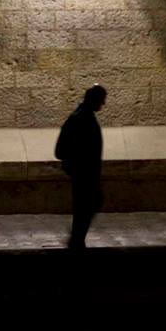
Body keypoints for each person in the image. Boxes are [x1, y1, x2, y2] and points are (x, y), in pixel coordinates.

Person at [55, 84, 107, 251]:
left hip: (83, 173)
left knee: (85, 208)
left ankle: (77, 239)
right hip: (84, 174)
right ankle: (76, 241)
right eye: (101, 100)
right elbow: (62, 149)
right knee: (86, 207)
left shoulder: (81, 117)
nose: (103, 104)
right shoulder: (81, 119)